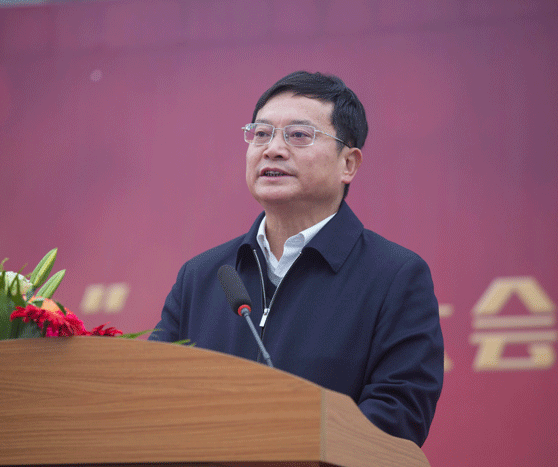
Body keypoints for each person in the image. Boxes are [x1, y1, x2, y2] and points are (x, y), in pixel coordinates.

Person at [150, 71, 443, 447]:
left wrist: (282, 445)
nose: (273, 149)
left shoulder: (395, 277)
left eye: (299, 135)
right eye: (261, 133)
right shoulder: (201, 276)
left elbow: (398, 415)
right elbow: (152, 396)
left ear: (348, 164)